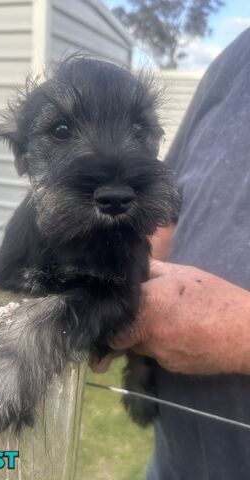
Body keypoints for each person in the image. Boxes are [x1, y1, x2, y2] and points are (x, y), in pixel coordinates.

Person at [91, 28, 250, 479]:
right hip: (175, 463)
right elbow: (166, 204)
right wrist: (121, 277)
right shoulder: (237, 57)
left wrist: (240, 334)